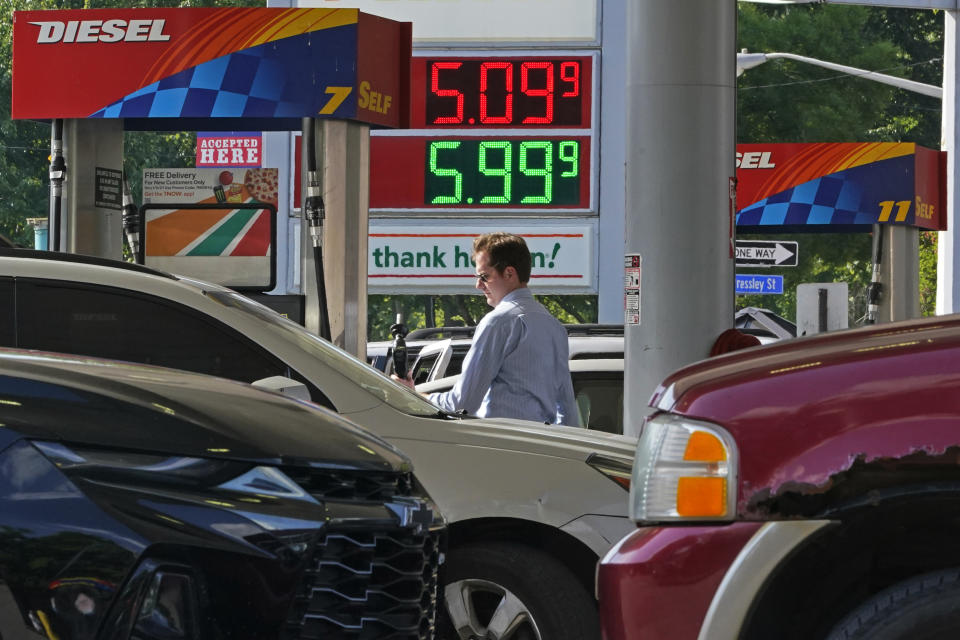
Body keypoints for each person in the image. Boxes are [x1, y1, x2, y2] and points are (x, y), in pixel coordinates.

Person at [394, 232, 581, 427]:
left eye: (484, 276)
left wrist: (414, 396)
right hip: (543, 447)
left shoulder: (498, 322)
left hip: (500, 446)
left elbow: (463, 404)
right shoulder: (554, 326)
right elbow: (567, 412)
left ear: (509, 273)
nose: (478, 285)